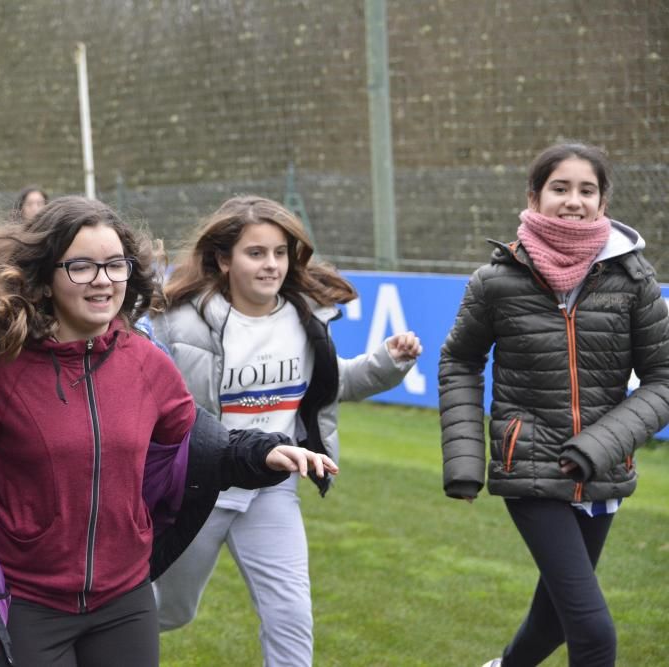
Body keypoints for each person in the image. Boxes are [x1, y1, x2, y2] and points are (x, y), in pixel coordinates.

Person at [0, 196, 338, 666]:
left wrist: (265, 453)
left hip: (125, 603)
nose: (102, 280)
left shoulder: (148, 364)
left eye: (116, 265)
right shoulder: (3, 375)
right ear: (46, 279)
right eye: (82, 266)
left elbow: (201, 442)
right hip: (30, 606)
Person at [149, 195, 422, 666]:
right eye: (256, 253)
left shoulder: (306, 318)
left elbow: (333, 386)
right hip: (198, 490)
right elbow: (159, 409)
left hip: (272, 490)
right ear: (223, 259)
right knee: (168, 612)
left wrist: (389, 363)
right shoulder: (179, 324)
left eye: (280, 253)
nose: (271, 264)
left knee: (292, 615)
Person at [438, 142, 669, 667]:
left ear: (603, 201)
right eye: (559, 188)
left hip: (603, 468)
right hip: (531, 469)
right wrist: (466, 460)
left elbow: (663, 379)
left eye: (587, 190)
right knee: (594, 634)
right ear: (534, 196)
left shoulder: (634, 279)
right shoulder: (494, 281)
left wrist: (598, 446)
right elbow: (459, 362)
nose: (573, 201)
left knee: (552, 621)